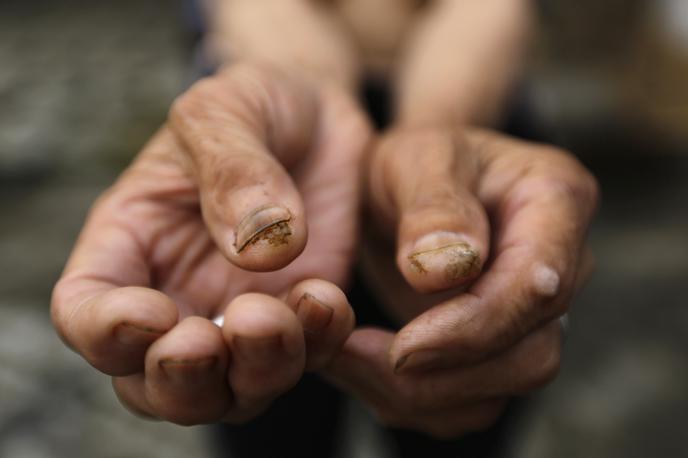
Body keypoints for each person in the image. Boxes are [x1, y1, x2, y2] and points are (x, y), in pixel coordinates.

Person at [51, 0, 599, 456]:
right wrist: (310, 94)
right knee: (267, 398)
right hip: (275, 124)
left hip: (470, 122)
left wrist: (433, 143)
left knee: (464, 391)